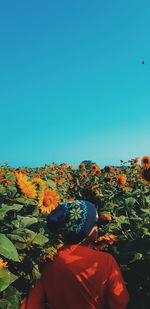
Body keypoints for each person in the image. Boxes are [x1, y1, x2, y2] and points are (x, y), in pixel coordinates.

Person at [21, 200, 129, 309]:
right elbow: (120, 303)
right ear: (83, 229)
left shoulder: (47, 259)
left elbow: (33, 304)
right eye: (94, 223)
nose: (98, 227)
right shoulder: (106, 261)